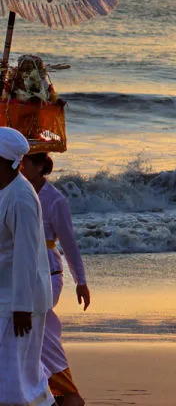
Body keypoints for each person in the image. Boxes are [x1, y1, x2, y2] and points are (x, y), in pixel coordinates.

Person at [20, 152, 90, 406]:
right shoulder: (15, 191)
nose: (20, 166)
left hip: (48, 273)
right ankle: (53, 391)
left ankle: (64, 390)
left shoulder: (54, 200)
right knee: (36, 329)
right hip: (21, 272)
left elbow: (69, 244)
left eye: (25, 162)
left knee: (38, 326)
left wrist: (81, 281)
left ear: (39, 166)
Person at [0, 127, 54, 406]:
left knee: (14, 376)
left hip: (19, 303)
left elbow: (26, 255)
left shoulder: (20, 196)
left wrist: (21, 306)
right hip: (6, 296)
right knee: (17, 373)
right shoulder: (6, 189)